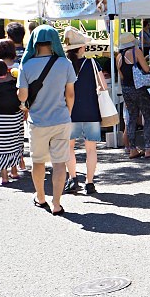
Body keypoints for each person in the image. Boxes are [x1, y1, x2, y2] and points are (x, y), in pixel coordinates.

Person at [17, 25, 76, 216]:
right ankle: (56, 203)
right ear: (54, 41)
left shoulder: (26, 65)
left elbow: (22, 96)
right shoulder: (65, 63)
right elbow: (70, 94)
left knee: (38, 162)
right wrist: (68, 113)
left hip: (38, 121)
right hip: (61, 119)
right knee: (59, 163)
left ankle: (40, 197)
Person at [62, 27, 105, 196]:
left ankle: (73, 178)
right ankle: (90, 183)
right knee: (91, 149)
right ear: (81, 48)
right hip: (91, 110)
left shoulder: (64, 65)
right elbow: (103, 86)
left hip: (68, 111)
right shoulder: (93, 63)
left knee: (69, 147)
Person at [116, 33, 150, 159]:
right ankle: (149, 148)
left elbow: (121, 76)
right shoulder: (135, 51)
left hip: (126, 89)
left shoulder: (118, 57)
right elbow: (146, 69)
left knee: (132, 118)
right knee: (147, 116)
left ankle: (132, 149)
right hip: (138, 88)